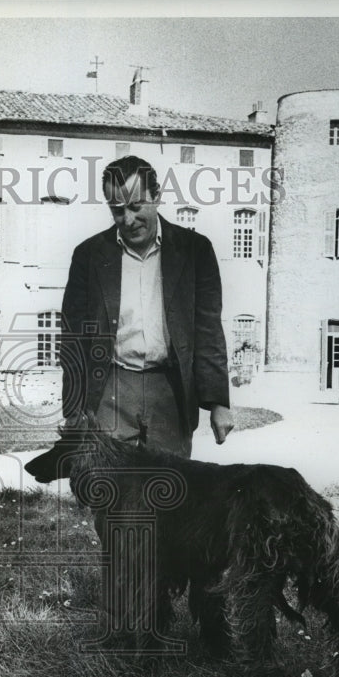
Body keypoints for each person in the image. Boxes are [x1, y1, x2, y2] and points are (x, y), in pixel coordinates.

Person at [60, 155, 234, 458]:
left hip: (169, 390)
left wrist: (219, 403)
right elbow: (73, 338)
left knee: (169, 491)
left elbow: (208, 330)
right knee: (109, 493)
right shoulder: (88, 256)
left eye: (136, 206)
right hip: (111, 389)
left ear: (157, 196)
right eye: (117, 210)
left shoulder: (196, 251)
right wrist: (74, 409)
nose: (128, 220)